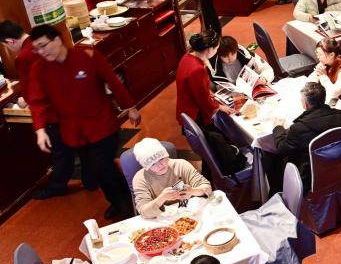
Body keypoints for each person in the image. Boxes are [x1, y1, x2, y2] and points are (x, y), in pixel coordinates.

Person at [27, 24, 140, 220]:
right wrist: (40, 129)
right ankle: (120, 199)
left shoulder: (87, 56)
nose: (41, 52)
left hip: (102, 124)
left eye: (43, 45)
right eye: (37, 48)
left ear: (57, 40)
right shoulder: (39, 69)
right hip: (73, 131)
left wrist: (131, 107)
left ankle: (126, 204)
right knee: (97, 169)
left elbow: (112, 81)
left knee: (102, 165)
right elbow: (37, 101)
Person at [1, 20, 74, 199]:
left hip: (52, 111)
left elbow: (30, 92)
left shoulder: (23, 57)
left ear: (10, 41)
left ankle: (58, 186)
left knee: (59, 151)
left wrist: (23, 100)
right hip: (68, 101)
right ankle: (89, 179)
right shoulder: (42, 42)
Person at [269, 81, 341, 190]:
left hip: (312, 176)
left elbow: (282, 149)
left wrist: (278, 127)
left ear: (305, 104)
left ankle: (278, 193)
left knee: (272, 158)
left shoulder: (299, 128)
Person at [130, 137, 211, 218]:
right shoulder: (140, 178)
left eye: (161, 159)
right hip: (161, 218)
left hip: (188, 212)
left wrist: (192, 191)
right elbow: (144, 212)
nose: (159, 165)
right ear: (146, 167)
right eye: (153, 164)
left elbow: (207, 187)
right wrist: (162, 198)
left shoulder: (181, 165)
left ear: (166, 156)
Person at [177, 30, 232, 128]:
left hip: (185, 109)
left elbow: (198, 89)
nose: (217, 51)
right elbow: (203, 99)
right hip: (195, 115)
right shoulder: (197, 69)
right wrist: (219, 107)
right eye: (217, 48)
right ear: (210, 49)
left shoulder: (187, 56)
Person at [210, 35, 274, 84]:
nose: (230, 58)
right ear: (219, 55)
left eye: (233, 54)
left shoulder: (247, 56)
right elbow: (211, 86)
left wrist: (264, 78)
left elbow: (267, 69)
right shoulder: (213, 66)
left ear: (236, 50)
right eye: (225, 56)